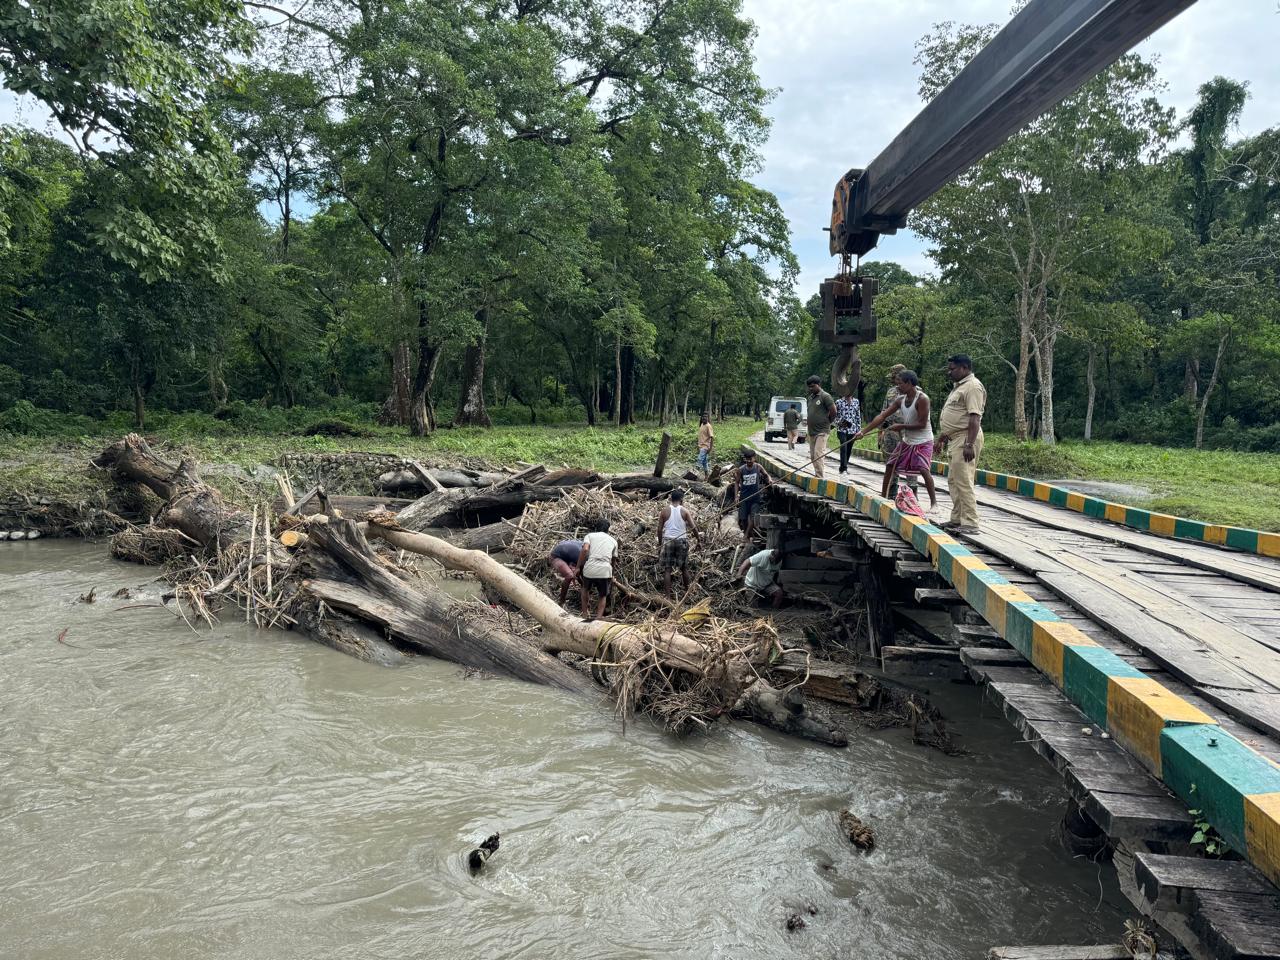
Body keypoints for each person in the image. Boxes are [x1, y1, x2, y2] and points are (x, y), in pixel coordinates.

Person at [855, 369, 938, 511]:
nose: (898, 387)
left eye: (900, 383)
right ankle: (883, 495)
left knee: (923, 469)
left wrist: (901, 426)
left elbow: (922, 424)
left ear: (910, 383)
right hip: (908, 440)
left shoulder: (922, 399)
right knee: (890, 465)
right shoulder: (900, 400)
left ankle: (934, 503)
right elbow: (882, 416)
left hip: (923, 440)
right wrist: (864, 431)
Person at [936, 353, 987, 535]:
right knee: (954, 480)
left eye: (953, 369)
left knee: (964, 480)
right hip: (955, 438)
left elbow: (974, 417)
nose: (949, 373)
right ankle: (957, 518)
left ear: (964, 368)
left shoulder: (973, 387)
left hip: (965, 437)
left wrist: (969, 444)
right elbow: (957, 415)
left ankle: (971, 522)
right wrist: (942, 436)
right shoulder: (959, 387)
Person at [656, 489, 702, 597]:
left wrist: (660, 543)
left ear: (671, 499)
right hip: (681, 541)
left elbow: (659, 529)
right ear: (681, 500)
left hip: (668, 541)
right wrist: (698, 540)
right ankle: (687, 593)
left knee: (667, 569)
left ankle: (667, 597)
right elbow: (693, 527)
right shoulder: (685, 511)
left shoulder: (664, 511)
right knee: (684, 568)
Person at [575, 518, 619, 621]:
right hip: (605, 570)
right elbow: (614, 560)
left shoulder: (590, 536)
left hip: (590, 568)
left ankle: (585, 614)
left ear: (596, 528)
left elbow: (585, 549)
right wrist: (612, 573)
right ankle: (599, 618)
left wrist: (577, 567)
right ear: (608, 529)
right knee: (602, 595)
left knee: (585, 589)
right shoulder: (613, 541)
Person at [733, 448, 771, 539]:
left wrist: (769, 480)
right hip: (744, 497)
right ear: (745, 459)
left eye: (751, 459)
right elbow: (737, 483)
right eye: (747, 459)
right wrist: (736, 497)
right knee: (743, 518)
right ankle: (748, 534)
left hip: (755, 497)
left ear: (754, 458)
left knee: (753, 517)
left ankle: (746, 536)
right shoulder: (741, 470)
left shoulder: (758, 467)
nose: (749, 461)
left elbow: (766, 475)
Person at [805, 375, 837, 479]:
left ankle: (819, 478)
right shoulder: (810, 398)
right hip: (812, 431)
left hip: (822, 430)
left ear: (819, 385)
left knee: (818, 454)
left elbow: (834, 411)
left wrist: (829, 422)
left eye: (813, 386)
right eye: (809, 387)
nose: (811, 389)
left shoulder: (825, 396)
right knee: (813, 456)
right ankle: (817, 474)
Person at [834, 381, 862, 474]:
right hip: (841, 429)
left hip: (852, 429)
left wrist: (859, 430)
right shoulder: (838, 402)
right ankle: (843, 468)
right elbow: (834, 416)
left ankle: (844, 466)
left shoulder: (856, 401)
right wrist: (838, 423)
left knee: (849, 448)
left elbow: (858, 416)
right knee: (844, 446)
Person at [548, 538, 583, 606]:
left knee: (578, 574)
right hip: (555, 557)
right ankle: (561, 601)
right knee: (569, 576)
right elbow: (580, 571)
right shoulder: (586, 556)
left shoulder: (586, 549)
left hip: (567, 556)